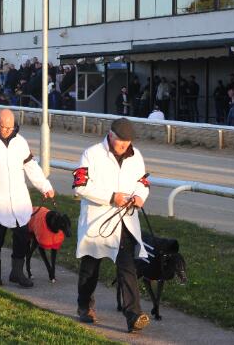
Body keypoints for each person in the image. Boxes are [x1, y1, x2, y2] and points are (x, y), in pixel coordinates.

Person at [74, 118, 150, 333]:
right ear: (111, 135)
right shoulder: (91, 154)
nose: (125, 146)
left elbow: (143, 182)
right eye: (121, 142)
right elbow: (80, 186)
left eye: (128, 142)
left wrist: (139, 196)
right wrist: (110, 197)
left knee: (127, 268)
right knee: (91, 268)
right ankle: (84, 306)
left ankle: (133, 315)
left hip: (125, 220)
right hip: (97, 222)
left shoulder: (136, 156)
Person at [0, 109, 55, 288]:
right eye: (4, 127)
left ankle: (17, 272)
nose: (7, 130)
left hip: (18, 199)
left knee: (22, 237)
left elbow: (31, 166)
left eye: (10, 127)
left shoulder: (20, 142)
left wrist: (45, 186)